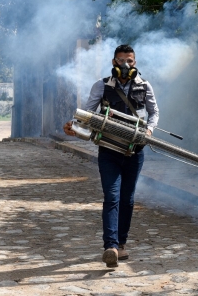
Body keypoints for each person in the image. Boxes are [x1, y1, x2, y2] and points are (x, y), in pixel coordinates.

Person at [63, 44, 159, 268]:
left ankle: (121, 243)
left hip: (134, 152)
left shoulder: (144, 86)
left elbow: (154, 112)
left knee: (128, 199)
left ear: (135, 63)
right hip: (109, 151)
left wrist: (149, 130)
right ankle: (111, 246)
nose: (125, 65)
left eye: (130, 61)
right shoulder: (102, 86)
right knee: (112, 196)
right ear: (113, 62)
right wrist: (74, 126)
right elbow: (88, 114)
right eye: (121, 60)